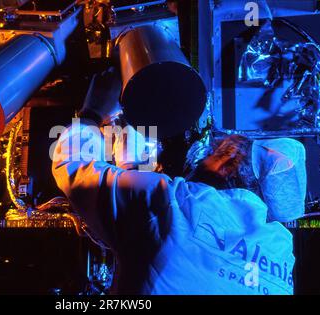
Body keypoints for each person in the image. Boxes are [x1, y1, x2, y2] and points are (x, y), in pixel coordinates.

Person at [51, 70, 306, 295]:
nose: (205, 155)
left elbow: (73, 168)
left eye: (216, 152)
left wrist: (92, 111)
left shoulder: (180, 205)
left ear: (229, 166)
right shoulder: (281, 256)